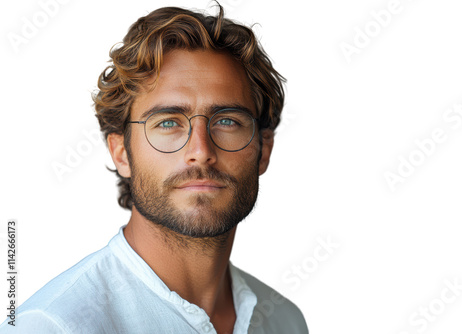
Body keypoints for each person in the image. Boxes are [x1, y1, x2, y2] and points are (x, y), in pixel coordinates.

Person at [0, 4, 308, 334]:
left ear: (264, 150)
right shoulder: (53, 326)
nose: (201, 152)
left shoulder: (284, 321)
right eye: (168, 123)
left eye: (227, 121)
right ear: (121, 152)